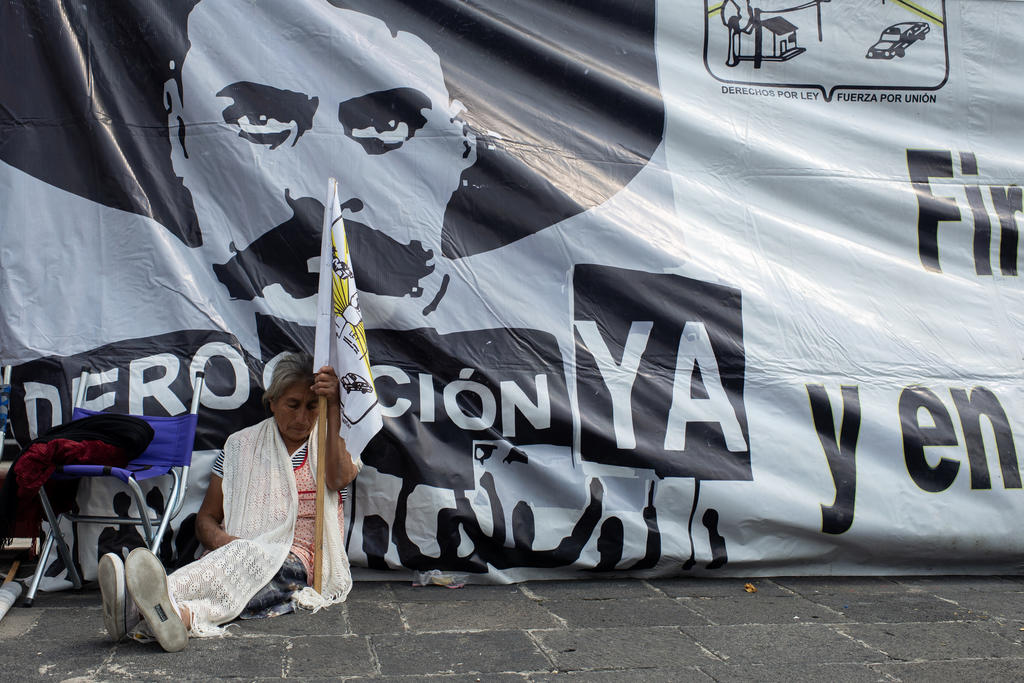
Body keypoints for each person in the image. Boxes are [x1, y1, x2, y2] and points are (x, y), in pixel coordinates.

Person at [98, 352, 361, 652]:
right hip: (237, 552)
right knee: (237, 568)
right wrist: (230, 544)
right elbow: (206, 519)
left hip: (303, 560)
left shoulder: (331, 443)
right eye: (292, 405)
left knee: (259, 570)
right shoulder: (239, 446)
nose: (302, 418)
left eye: (312, 406)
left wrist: (335, 408)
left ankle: (136, 607)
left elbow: (340, 478)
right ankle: (172, 614)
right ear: (272, 402)